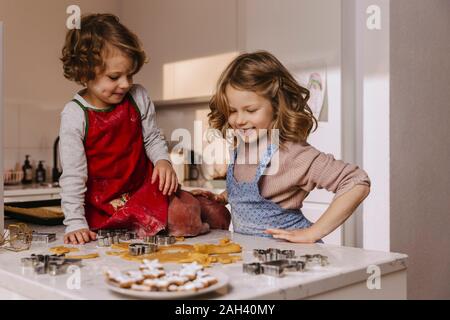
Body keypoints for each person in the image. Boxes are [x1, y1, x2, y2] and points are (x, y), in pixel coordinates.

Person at [193, 51, 370, 243]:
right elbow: (253, 197)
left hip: (291, 259)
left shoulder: (291, 153)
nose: (239, 120)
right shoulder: (243, 147)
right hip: (254, 257)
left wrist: (313, 232)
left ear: (277, 106)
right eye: (232, 111)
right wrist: (223, 198)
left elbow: (356, 181)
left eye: (250, 110)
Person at [59, 14, 178, 245]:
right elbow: (73, 174)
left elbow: (152, 137)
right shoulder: (75, 115)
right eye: (114, 77)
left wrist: (163, 160)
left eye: (130, 74)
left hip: (143, 193)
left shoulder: (138, 96)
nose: (125, 84)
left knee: (186, 215)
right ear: (85, 73)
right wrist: (75, 222)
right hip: (102, 205)